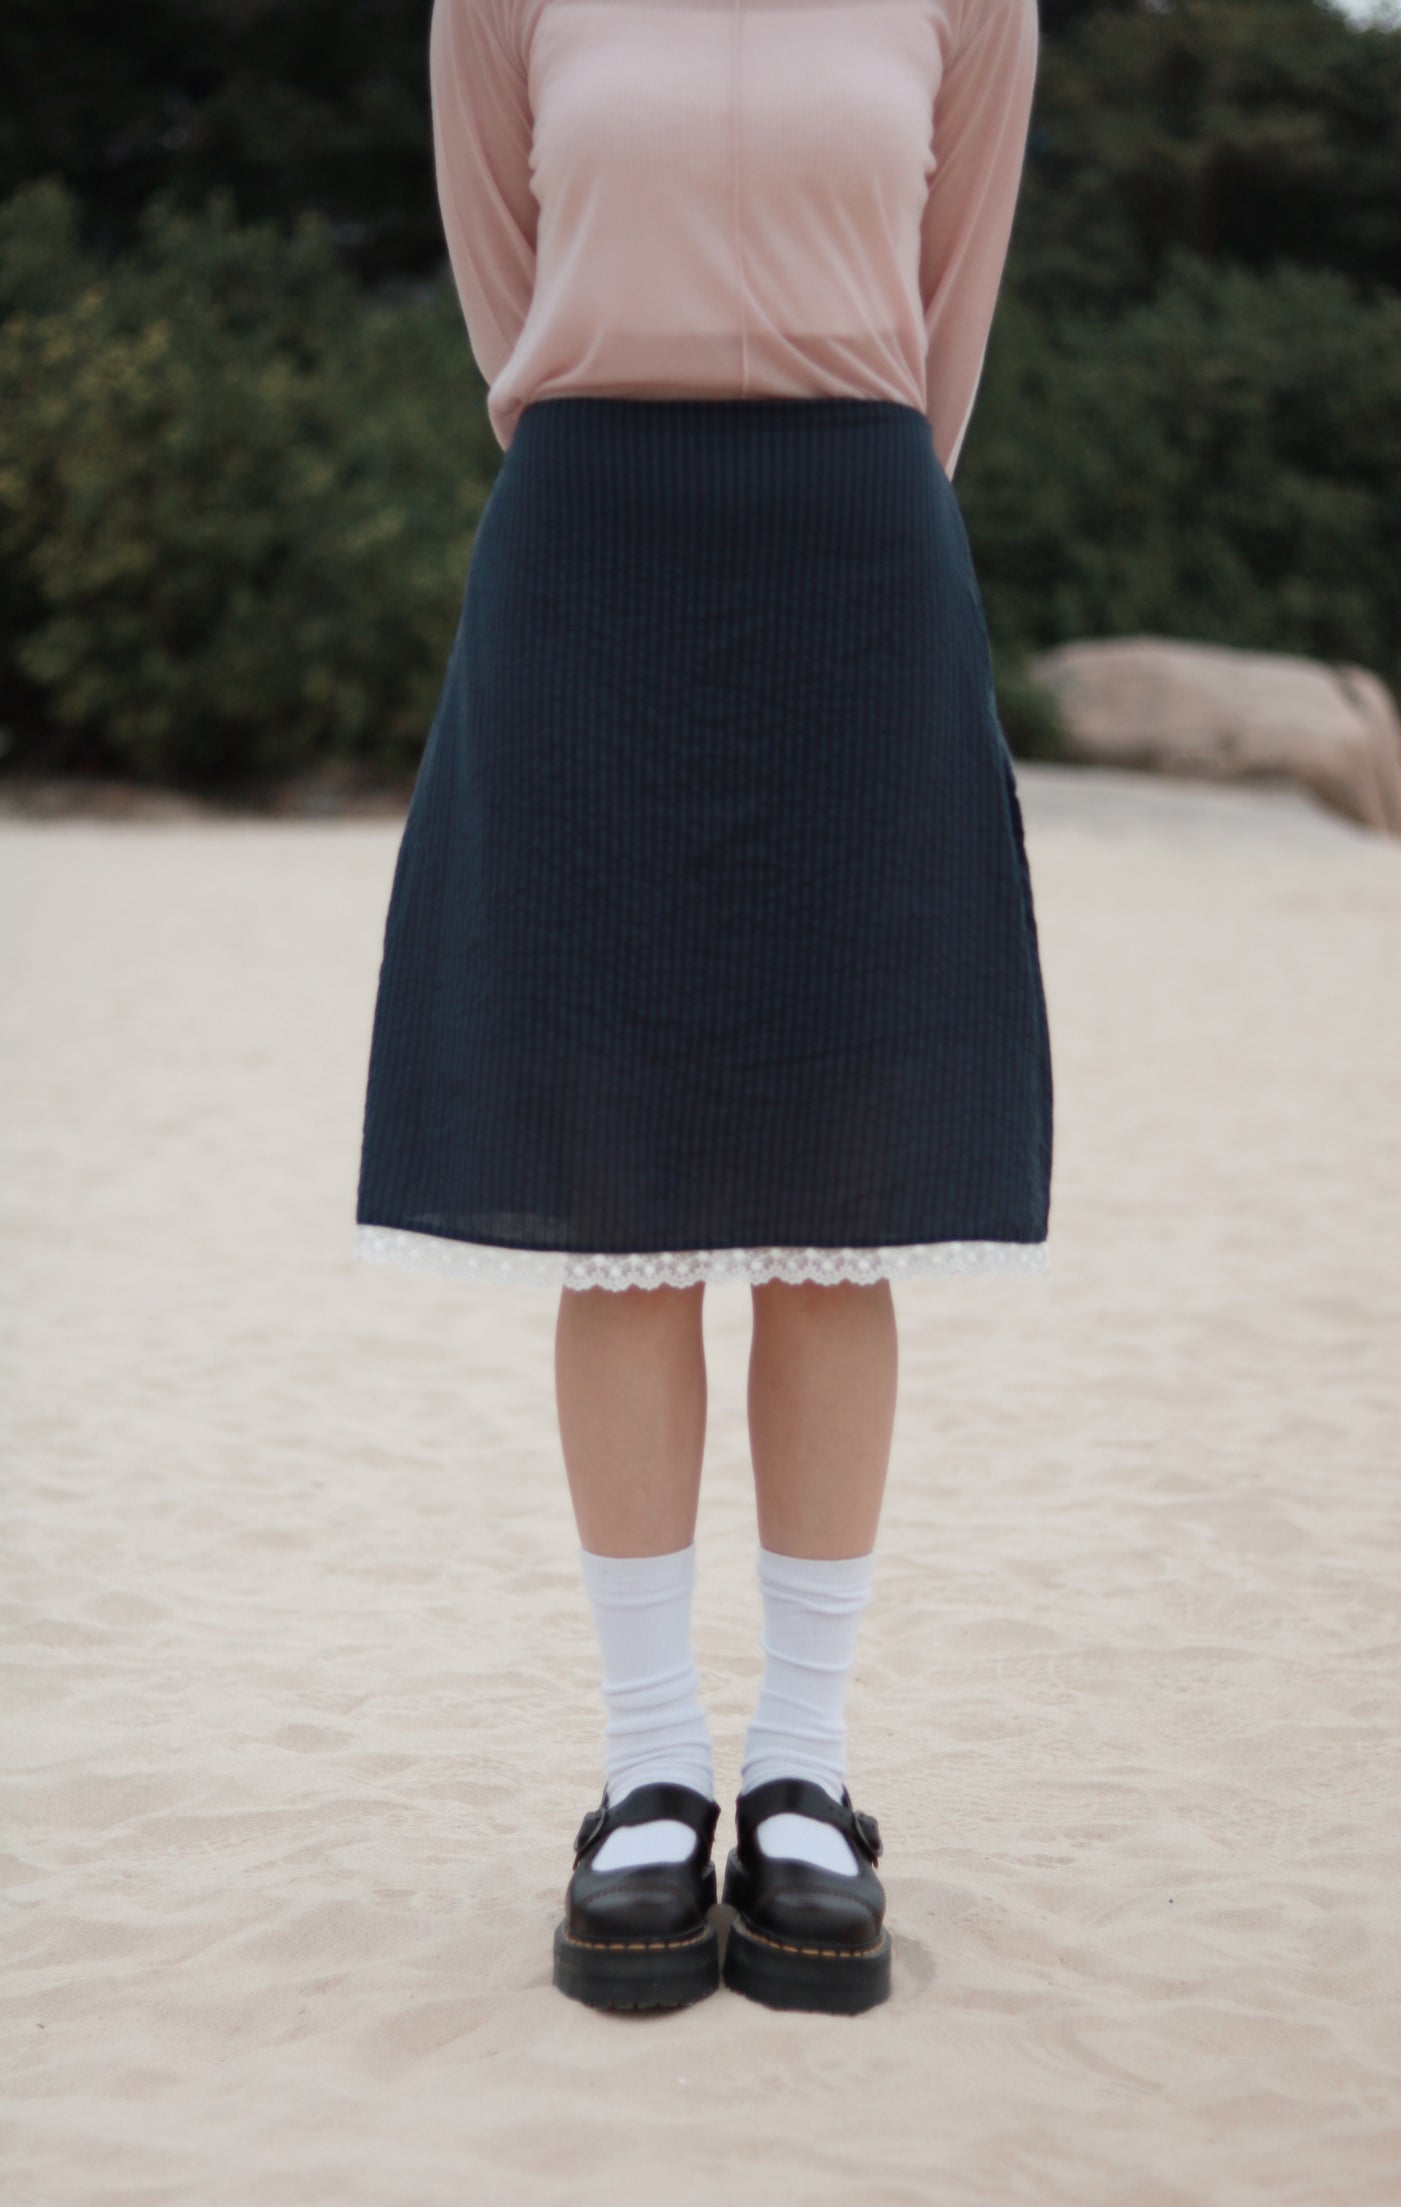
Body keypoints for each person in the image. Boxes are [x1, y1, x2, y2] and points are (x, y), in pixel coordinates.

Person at [355, 0, 1052, 2018]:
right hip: (590, 550)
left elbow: (952, 305)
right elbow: (509, 286)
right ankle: (651, 1768)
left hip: (855, 551)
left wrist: (846, 488)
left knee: (854, 1191)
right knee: (615, 1190)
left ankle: (808, 1776)